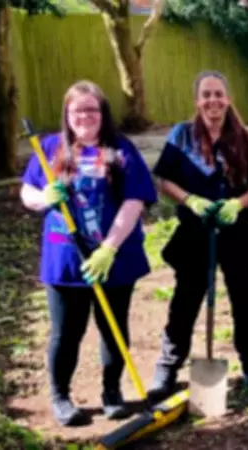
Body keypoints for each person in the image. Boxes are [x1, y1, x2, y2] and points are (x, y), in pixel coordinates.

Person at [20, 80, 158, 426]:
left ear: (103, 114)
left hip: (114, 258)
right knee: (67, 331)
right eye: (78, 110)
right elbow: (27, 191)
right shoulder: (50, 148)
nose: (85, 116)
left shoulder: (120, 150)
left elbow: (134, 200)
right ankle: (61, 397)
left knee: (113, 329)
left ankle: (112, 394)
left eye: (92, 109)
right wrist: (43, 199)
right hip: (65, 261)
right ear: (67, 114)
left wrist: (109, 248)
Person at [147, 71, 248, 401]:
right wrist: (190, 200)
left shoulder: (243, 138)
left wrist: (238, 204)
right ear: (197, 101)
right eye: (206, 94)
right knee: (185, 301)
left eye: (218, 93)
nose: (213, 100)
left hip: (237, 233)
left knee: (245, 300)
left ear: (228, 99)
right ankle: (168, 366)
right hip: (195, 233)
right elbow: (165, 180)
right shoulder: (182, 135)